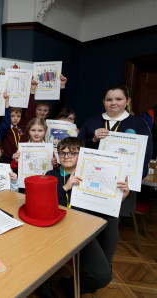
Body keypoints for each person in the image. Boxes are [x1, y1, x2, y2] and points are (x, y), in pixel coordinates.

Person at [45, 137, 129, 295]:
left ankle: (72, 285)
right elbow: (46, 205)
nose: (66, 156)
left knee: (103, 272)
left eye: (72, 153)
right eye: (62, 153)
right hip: (67, 230)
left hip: (89, 227)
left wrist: (118, 198)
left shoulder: (93, 173)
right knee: (103, 276)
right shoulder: (51, 175)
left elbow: (103, 209)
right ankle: (70, 286)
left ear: (82, 155)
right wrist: (65, 187)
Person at [78, 84, 153, 177]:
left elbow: (146, 152)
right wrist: (93, 140)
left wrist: (135, 176)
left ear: (128, 101)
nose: (113, 103)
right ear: (103, 101)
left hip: (125, 178)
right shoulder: (91, 121)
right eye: (109, 100)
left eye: (118, 99)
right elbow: (77, 147)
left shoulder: (139, 123)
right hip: (94, 174)